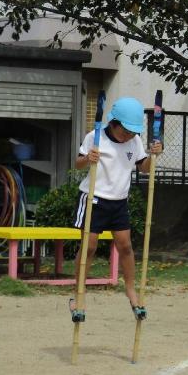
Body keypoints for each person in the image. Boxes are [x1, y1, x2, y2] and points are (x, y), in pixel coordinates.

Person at [70, 97, 162, 321]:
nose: (129, 135)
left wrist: (153, 155)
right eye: (126, 131)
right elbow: (77, 163)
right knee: (90, 246)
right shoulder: (96, 135)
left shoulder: (135, 141)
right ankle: (78, 294)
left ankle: (130, 289)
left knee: (126, 246)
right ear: (114, 123)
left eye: (133, 132)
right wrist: (89, 158)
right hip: (94, 198)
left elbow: (144, 169)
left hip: (119, 201)